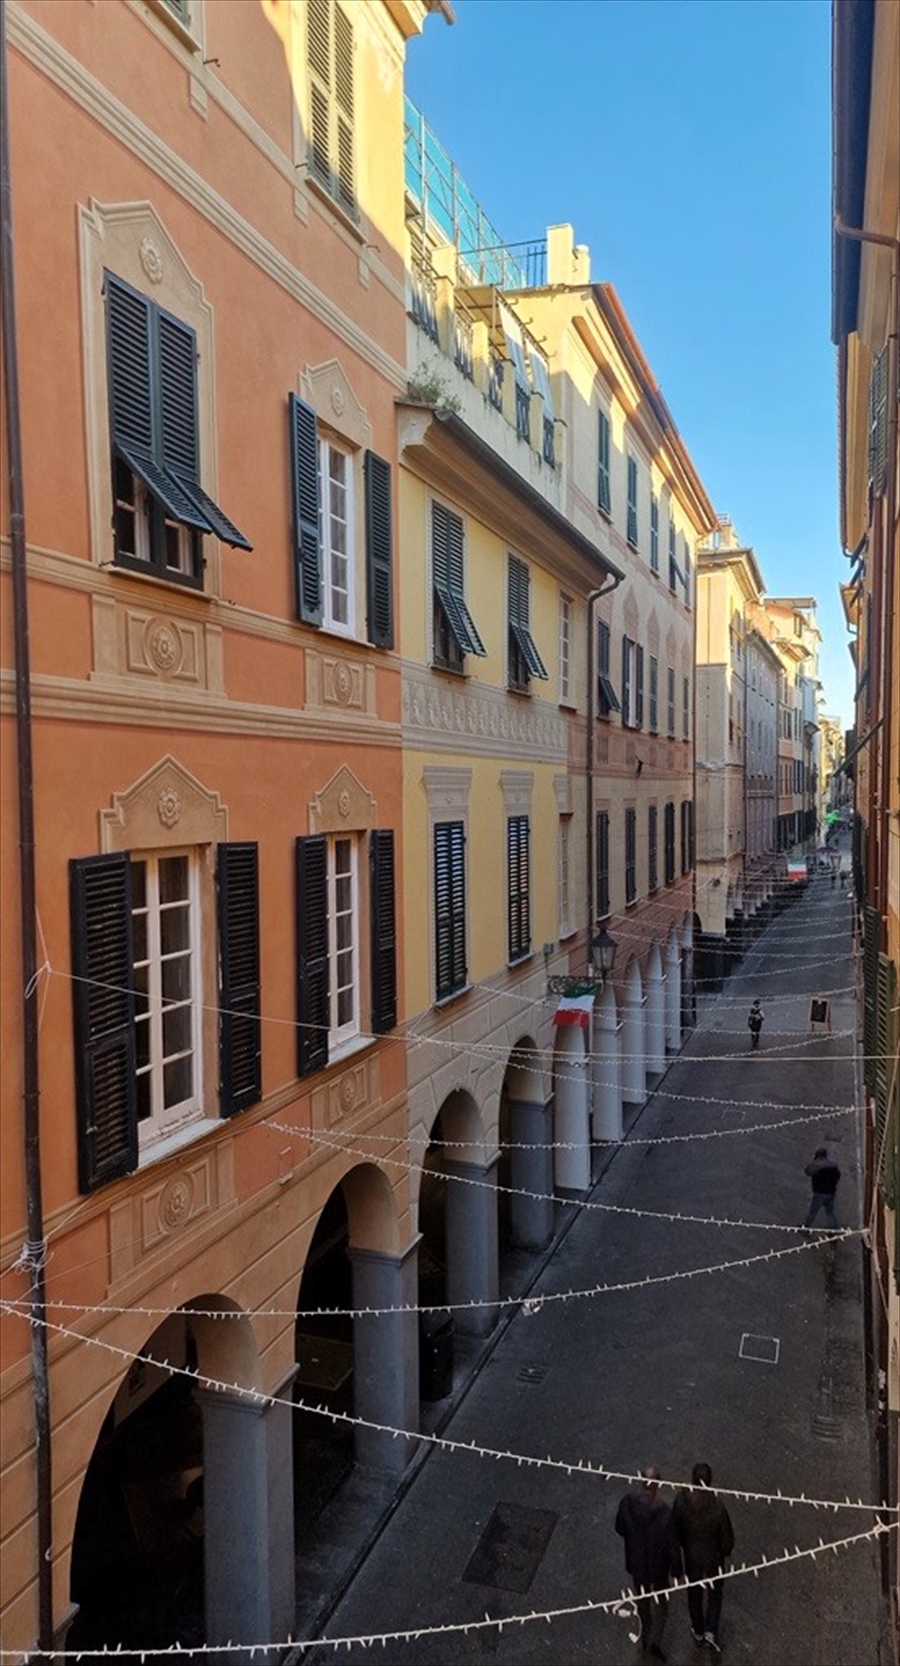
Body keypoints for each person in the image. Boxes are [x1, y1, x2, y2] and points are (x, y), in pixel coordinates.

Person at [614, 1467, 681, 1660]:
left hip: (637, 1565)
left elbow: (619, 1527)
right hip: (658, 1569)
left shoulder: (627, 1503)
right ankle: (655, 1642)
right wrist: (677, 1571)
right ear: (658, 1485)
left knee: (642, 1601)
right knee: (661, 1607)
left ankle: (645, 1632)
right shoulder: (665, 1514)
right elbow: (673, 1546)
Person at [671, 1463, 734, 1654]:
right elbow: (727, 1540)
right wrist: (724, 1552)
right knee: (715, 1595)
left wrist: (683, 1546)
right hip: (713, 1558)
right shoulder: (717, 1507)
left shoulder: (681, 1500)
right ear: (710, 1481)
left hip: (692, 1555)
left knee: (694, 1593)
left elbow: (674, 1529)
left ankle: (698, 1629)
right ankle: (711, 1630)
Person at [804, 1146, 841, 1229]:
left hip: (819, 1192)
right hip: (831, 1192)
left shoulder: (816, 1164)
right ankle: (833, 1230)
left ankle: (806, 1228)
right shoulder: (833, 1165)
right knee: (830, 1213)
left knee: (813, 1211)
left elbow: (807, 1171)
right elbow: (838, 1176)